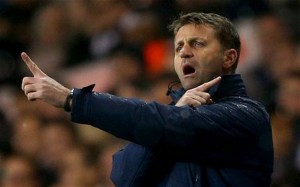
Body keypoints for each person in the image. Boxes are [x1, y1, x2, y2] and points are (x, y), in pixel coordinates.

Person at [21, 12, 273, 186]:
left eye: (197, 43)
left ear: (228, 58)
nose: (184, 52)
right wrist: (175, 115)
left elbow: (165, 123)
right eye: (178, 47)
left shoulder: (246, 115)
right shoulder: (172, 117)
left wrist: (72, 98)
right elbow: (124, 177)